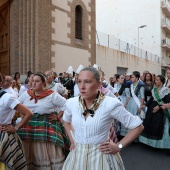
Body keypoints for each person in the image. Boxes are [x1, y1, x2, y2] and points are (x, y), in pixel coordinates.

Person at [62, 67, 144, 170]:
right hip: (77, 158)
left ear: (99, 84)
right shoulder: (72, 103)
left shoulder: (110, 104)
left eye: (87, 82)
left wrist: (118, 146)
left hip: (102, 157)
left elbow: (138, 126)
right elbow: (66, 121)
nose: (82, 87)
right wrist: (73, 139)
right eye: (79, 81)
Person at [17, 73, 69, 170]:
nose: (34, 83)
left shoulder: (52, 95)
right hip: (28, 125)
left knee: (45, 148)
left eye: (37, 81)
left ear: (44, 83)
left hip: (45, 124)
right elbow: (16, 105)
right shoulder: (26, 94)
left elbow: (66, 105)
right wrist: (21, 114)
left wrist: (58, 116)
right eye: (32, 81)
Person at [0, 73, 33, 170]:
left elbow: (28, 113)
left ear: (0, 83)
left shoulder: (7, 97)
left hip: (3, 136)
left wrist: (16, 128)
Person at [140, 75, 170, 149]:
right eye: (155, 80)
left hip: (160, 111)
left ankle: (156, 144)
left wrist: (159, 107)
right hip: (151, 109)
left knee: (157, 127)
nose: (155, 81)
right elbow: (151, 99)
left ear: (162, 82)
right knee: (149, 124)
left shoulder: (165, 90)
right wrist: (145, 105)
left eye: (157, 80)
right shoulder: (154, 89)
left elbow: (167, 102)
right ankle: (148, 142)